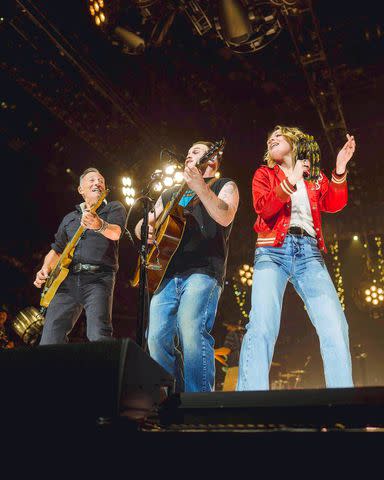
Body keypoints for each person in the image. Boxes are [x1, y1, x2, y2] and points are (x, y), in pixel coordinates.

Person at [237, 125, 356, 391]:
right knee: (262, 325)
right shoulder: (264, 173)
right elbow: (263, 208)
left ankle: (343, 400)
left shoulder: (313, 176)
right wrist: (289, 181)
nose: (272, 140)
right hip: (272, 250)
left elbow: (335, 203)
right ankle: (251, 402)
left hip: (310, 253)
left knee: (335, 326)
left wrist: (339, 169)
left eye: (278, 136)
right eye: (269, 138)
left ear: (294, 141)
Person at [135, 141, 239, 392]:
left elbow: (225, 215)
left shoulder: (225, 185)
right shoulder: (170, 193)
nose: (188, 154)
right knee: (156, 338)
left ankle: (200, 402)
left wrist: (200, 186)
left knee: (191, 329)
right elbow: (143, 224)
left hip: (203, 270)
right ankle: (171, 398)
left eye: (195, 151)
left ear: (212, 160)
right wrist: (145, 230)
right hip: (167, 273)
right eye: (188, 151)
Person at [34, 168, 127, 345]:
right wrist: (45, 268)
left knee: (99, 334)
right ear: (80, 189)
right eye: (91, 180)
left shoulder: (114, 208)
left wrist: (99, 225)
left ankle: (104, 371)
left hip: (99, 279)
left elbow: (116, 233)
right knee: (49, 339)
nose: (97, 183)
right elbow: (57, 250)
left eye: (101, 180)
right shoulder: (69, 218)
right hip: (67, 280)